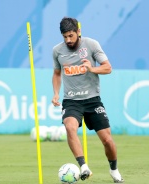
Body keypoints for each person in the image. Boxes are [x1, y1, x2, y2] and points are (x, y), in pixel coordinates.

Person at [51, 17, 124, 183]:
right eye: (65, 37)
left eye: (71, 35)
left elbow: (108, 67)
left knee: (107, 140)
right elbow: (56, 74)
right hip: (71, 101)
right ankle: (83, 166)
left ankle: (114, 170)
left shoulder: (91, 45)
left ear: (78, 32)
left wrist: (92, 68)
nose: (68, 40)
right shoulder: (57, 51)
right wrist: (56, 93)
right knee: (70, 127)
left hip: (92, 100)